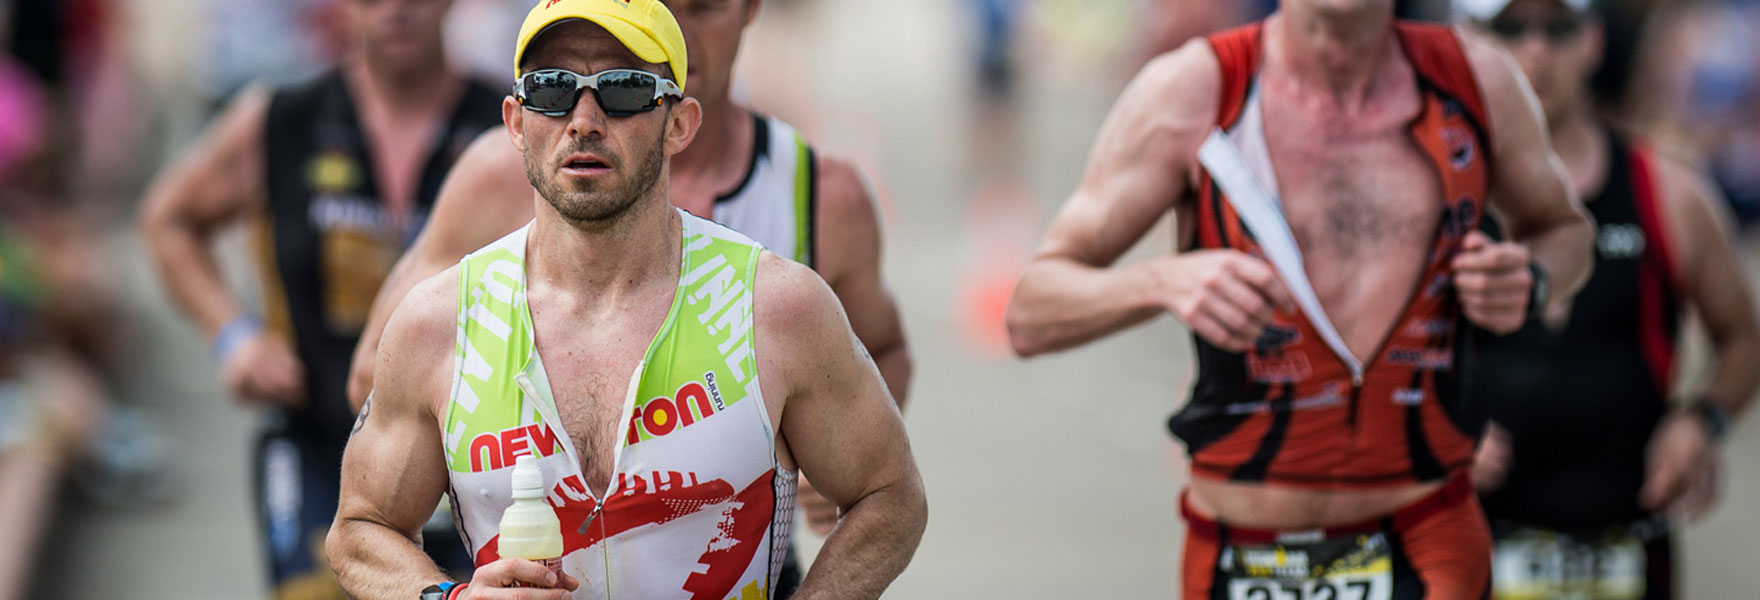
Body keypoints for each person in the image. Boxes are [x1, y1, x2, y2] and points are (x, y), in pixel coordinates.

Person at [323, 3, 926, 598]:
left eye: (625, 89)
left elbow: (891, 495)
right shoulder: (439, 322)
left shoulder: (775, 307)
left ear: (680, 124)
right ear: (514, 120)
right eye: (553, 89)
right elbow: (360, 528)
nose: (583, 119)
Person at [1003, 0, 1597, 597]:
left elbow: (1565, 230)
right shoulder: (1197, 90)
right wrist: (1161, 282)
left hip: (1426, 535)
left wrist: (1533, 278)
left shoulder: (1475, 79)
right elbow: (1032, 312)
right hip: (1244, 549)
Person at [138, 0, 498, 594]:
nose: (397, 11)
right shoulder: (282, 120)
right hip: (314, 433)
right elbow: (168, 218)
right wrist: (234, 335)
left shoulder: (508, 125)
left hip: (469, 448)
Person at [1458, 0, 1760, 597]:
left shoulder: (1668, 193)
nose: (1536, 52)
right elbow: (1358, 357)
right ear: (1470, 43)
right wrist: (1431, 432)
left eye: (1556, 29)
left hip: (1626, 542)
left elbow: (1744, 339)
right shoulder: (1434, 196)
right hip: (1470, 542)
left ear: (1593, 40)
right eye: (1511, 30)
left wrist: (1703, 419)